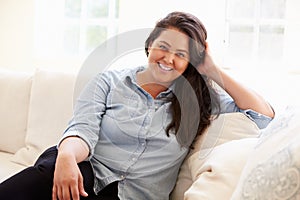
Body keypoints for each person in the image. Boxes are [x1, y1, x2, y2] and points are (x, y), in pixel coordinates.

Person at [0, 11, 274, 200]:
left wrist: (212, 69)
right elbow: (82, 129)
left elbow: (263, 117)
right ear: (149, 44)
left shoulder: (199, 100)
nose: (168, 59)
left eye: (181, 54)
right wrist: (66, 157)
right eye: (163, 47)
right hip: (82, 170)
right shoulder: (109, 81)